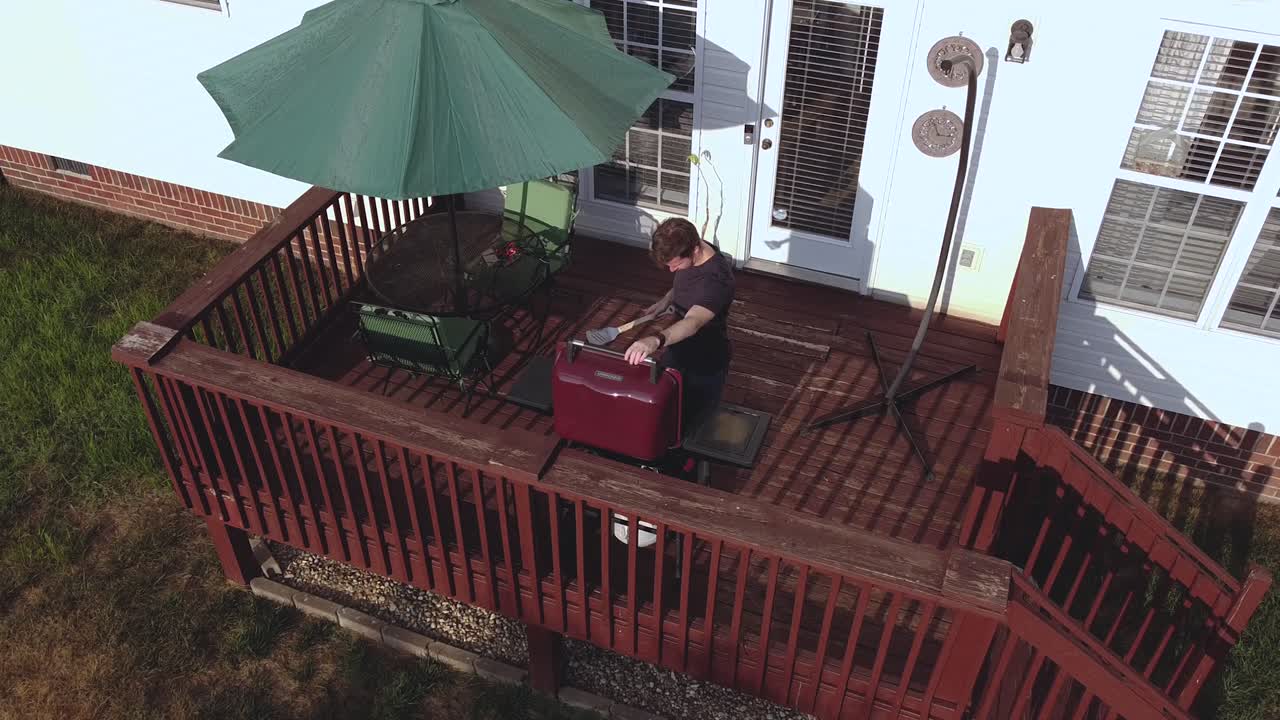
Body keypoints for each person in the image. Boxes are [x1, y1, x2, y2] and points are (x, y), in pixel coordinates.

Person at [624, 218, 734, 434]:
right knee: (665, 409)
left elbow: (692, 323)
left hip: (705, 361)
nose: (672, 270)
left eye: (675, 264)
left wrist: (655, 339)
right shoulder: (692, 246)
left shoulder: (716, 281)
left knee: (694, 425)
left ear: (694, 250)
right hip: (678, 347)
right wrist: (666, 300)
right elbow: (684, 279)